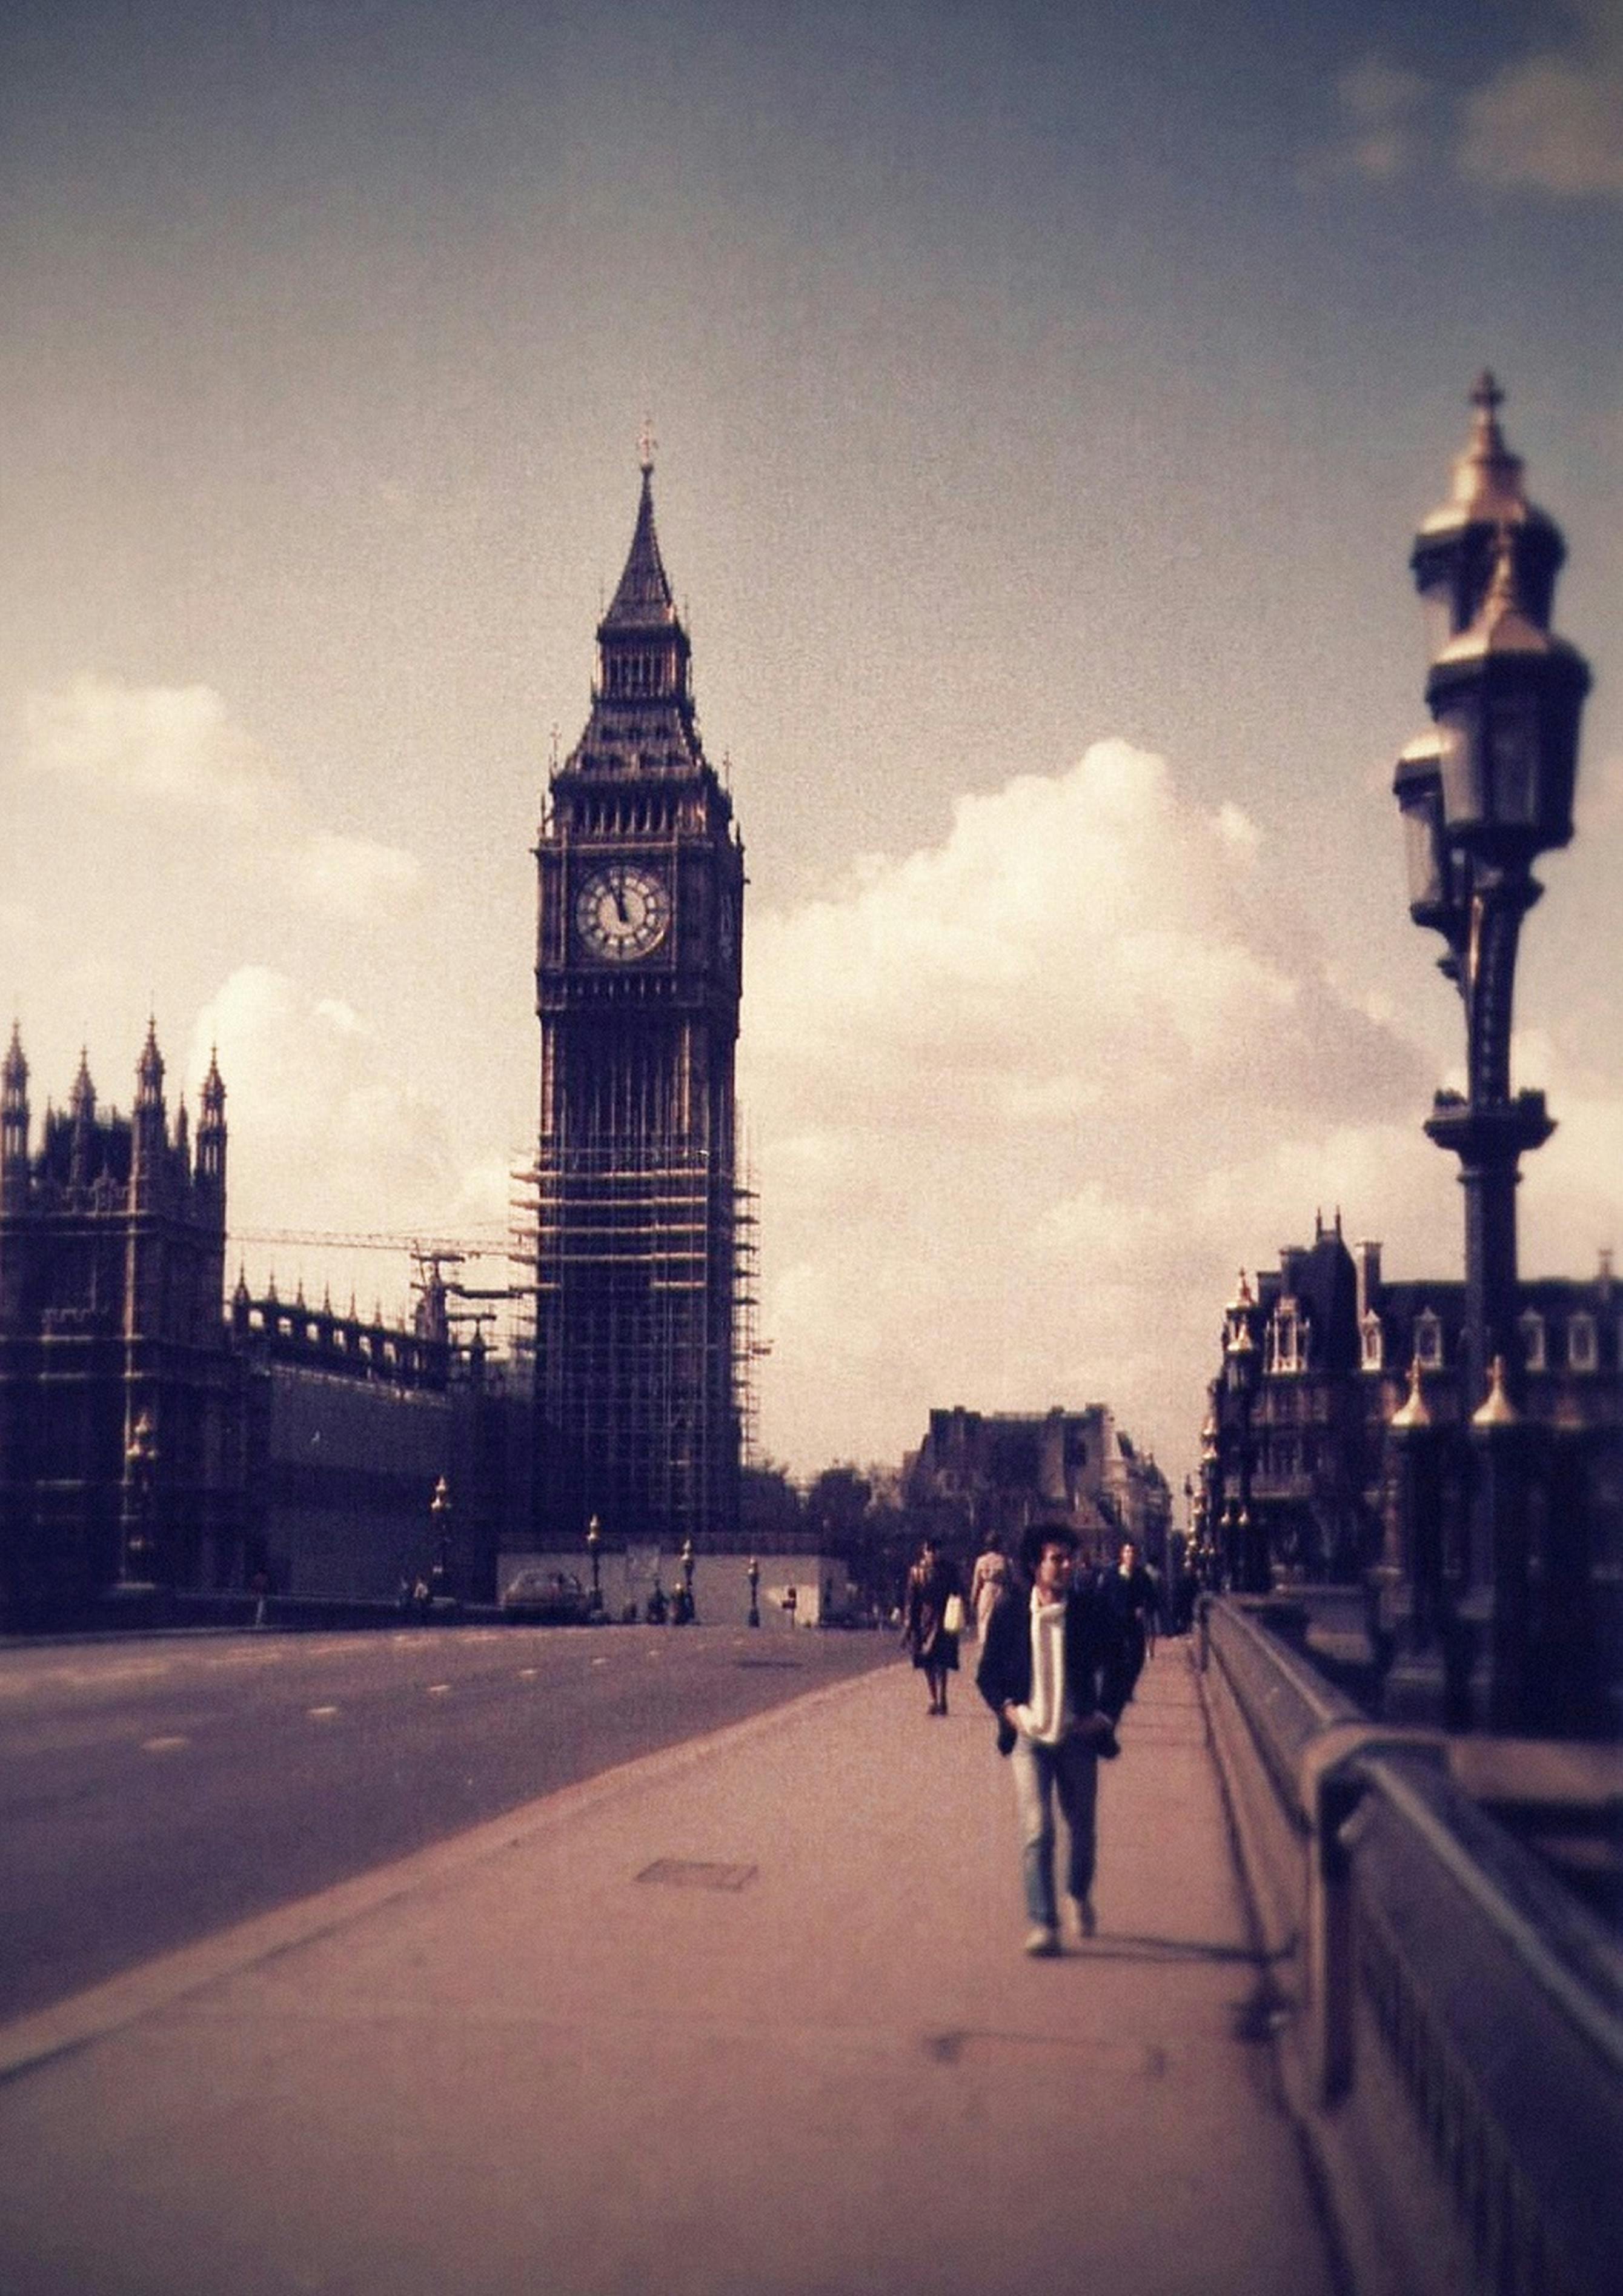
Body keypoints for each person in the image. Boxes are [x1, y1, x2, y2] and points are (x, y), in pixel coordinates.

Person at [977, 1520, 1130, 1956]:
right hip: (1029, 1737)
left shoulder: (1087, 1611)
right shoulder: (1010, 1612)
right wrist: (1008, 1710)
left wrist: (1103, 1715)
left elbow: (1121, 1662)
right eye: (1056, 1559)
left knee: (1081, 1828)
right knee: (1037, 1829)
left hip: (1077, 1735)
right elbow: (986, 1675)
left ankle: (1077, 1894)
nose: (1065, 1566)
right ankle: (1043, 1922)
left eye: (1068, 1558)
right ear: (1034, 1564)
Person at [900, 1537, 963, 1716]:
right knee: (927, 1661)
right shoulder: (917, 1572)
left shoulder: (949, 1570)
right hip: (924, 1621)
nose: (934, 1554)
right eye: (931, 1551)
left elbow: (958, 1592)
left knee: (942, 1661)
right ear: (925, 1551)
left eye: (937, 1551)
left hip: (944, 1619)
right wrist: (908, 1625)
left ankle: (942, 1698)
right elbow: (911, 1601)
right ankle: (933, 1698)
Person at [1101, 1537, 1155, 1701]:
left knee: (1136, 1657)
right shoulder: (1112, 1575)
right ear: (1122, 1555)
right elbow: (1102, 1596)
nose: (1130, 1555)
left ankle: (1129, 1687)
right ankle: (1116, 1691)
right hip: (1115, 1622)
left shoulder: (1142, 1576)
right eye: (1127, 1552)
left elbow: (1152, 1598)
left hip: (1134, 1622)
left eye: (1132, 1552)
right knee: (1115, 1658)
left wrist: (1144, 1608)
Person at [968, 1533, 1010, 1642]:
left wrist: (973, 1601)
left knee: (984, 1621)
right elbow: (1009, 1581)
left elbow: (976, 1583)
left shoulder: (981, 1561)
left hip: (985, 1594)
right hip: (1000, 1593)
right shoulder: (1003, 1560)